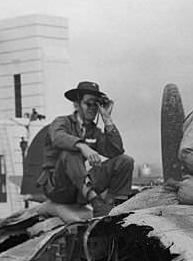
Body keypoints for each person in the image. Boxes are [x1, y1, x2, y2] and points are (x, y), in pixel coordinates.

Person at [34, 81, 134, 217]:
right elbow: (58, 137)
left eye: (96, 104)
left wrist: (107, 119)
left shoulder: (94, 131)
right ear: (77, 104)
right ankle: (96, 203)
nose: (93, 108)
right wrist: (82, 146)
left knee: (125, 161)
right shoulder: (61, 122)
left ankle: (113, 206)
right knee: (70, 152)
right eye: (88, 103)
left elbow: (115, 151)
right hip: (59, 188)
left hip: (80, 188)